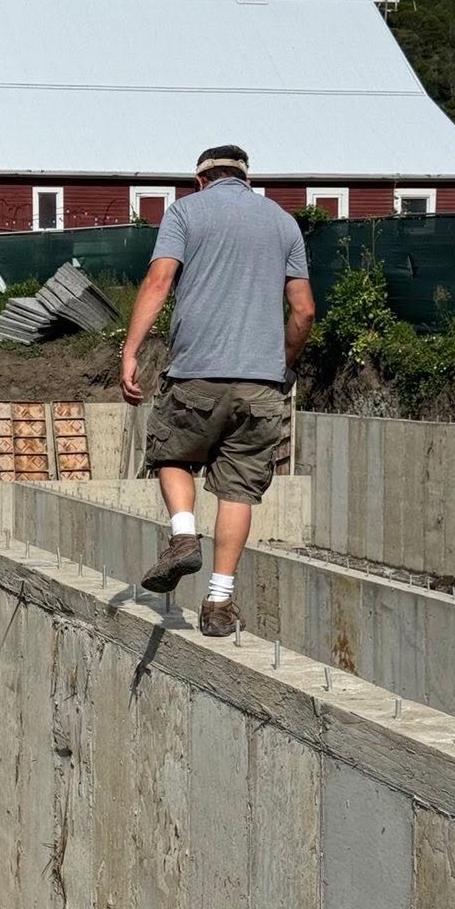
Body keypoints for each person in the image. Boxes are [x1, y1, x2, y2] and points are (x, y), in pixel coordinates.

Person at [120, 144, 315, 636]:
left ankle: (183, 536)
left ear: (201, 179)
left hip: (196, 374)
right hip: (263, 386)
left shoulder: (185, 212)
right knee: (238, 490)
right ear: (246, 179)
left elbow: (159, 280)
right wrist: (281, 364)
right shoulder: (283, 223)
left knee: (170, 453)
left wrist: (130, 352)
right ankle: (219, 601)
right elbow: (304, 311)